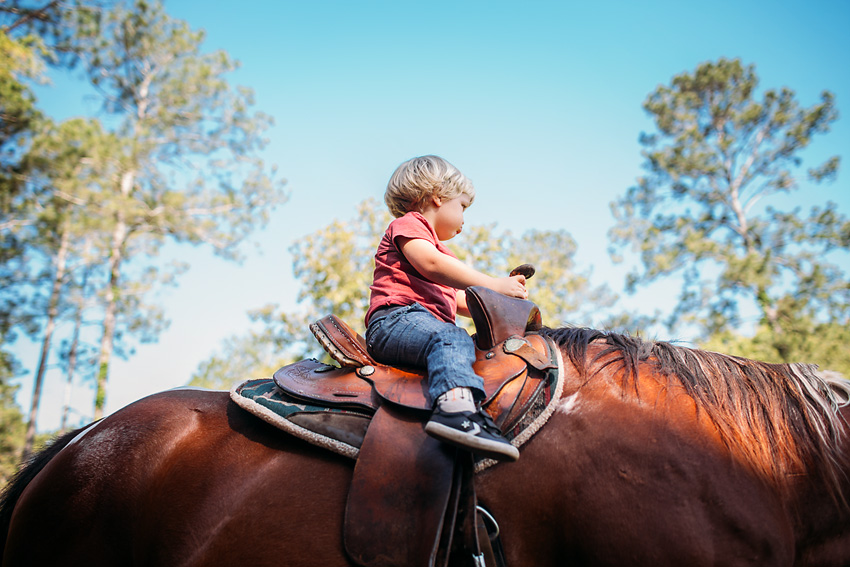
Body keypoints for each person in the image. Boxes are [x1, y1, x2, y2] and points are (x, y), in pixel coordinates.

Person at [365, 155, 527, 462]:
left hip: (421, 325)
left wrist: (501, 301)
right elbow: (432, 264)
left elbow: (459, 300)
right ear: (437, 197)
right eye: (463, 206)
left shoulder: (440, 251)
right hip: (395, 320)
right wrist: (492, 284)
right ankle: (456, 412)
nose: (465, 218)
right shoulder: (409, 225)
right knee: (452, 338)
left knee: (461, 339)